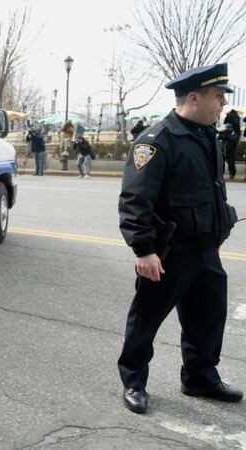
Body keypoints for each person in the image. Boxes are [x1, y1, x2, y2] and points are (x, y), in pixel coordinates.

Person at [117, 63, 241, 415]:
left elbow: (213, 192)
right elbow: (135, 199)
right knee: (146, 320)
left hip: (206, 249)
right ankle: (133, 381)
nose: (223, 103)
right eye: (218, 96)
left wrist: (217, 232)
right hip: (169, 253)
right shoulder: (157, 141)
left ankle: (200, 377)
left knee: (209, 317)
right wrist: (144, 249)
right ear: (194, 98)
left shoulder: (207, 137)